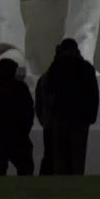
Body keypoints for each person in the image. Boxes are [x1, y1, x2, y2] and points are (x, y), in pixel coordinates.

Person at [42, 38, 99, 175]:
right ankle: (77, 189)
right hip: (80, 120)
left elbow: (48, 91)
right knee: (78, 157)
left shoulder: (56, 67)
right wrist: (90, 117)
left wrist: (50, 117)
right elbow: (93, 95)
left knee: (60, 159)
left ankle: (62, 190)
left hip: (60, 118)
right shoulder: (86, 68)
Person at [0, 58, 35, 176]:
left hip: (2, 136)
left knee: (0, 172)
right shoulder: (21, 88)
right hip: (17, 136)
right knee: (25, 170)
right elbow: (29, 111)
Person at [35, 44, 60, 175]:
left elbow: (38, 104)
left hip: (50, 124)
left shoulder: (45, 77)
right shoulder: (46, 78)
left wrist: (44, 121)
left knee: (50, 155)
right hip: (70, 125)